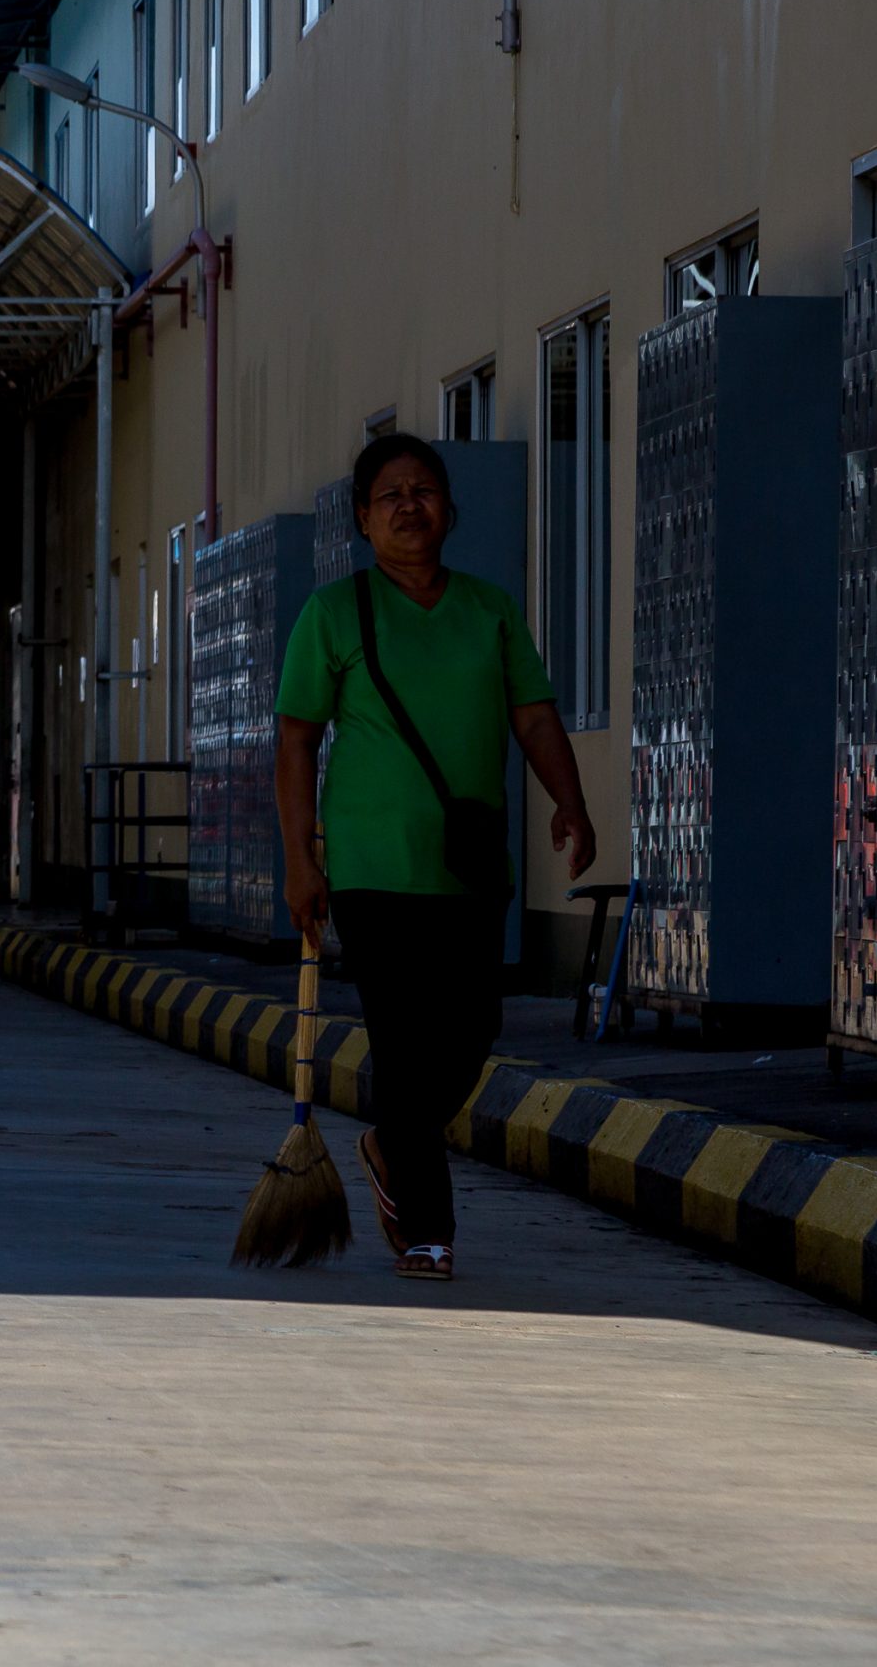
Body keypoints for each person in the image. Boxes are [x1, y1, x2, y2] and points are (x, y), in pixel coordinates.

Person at [275, 433, 597, 1283]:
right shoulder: (335, 614)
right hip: (373, 867)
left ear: (450, 511)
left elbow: (532, 716)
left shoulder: (490, 610)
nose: (410, 505)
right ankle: (429, 1227)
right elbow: (297, 740)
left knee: (472, 1029)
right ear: (362, 521)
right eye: (391, 495)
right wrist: (300, 861)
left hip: (469, 861)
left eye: (425, 491)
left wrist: (570, 799)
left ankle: (387, 1142)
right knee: (405, 1044)